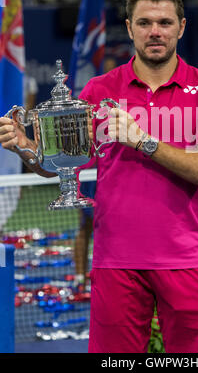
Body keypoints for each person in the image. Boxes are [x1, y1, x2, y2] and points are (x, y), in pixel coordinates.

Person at [0, 0, 198, 353]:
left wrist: (142, 140)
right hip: (116, 262)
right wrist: (26, 147)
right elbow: (62, 167)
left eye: (164, 23)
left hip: (186, 259)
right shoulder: (99, 90)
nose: (154, 32)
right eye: (144, 23)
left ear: (181, 27)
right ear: (129, 28)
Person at [74, 57, 118, 289]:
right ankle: (81, 277)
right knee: (85, 227)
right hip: (89, 175)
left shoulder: (121, 102)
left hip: (110, 176)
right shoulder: (94, 94)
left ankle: (104, 278)